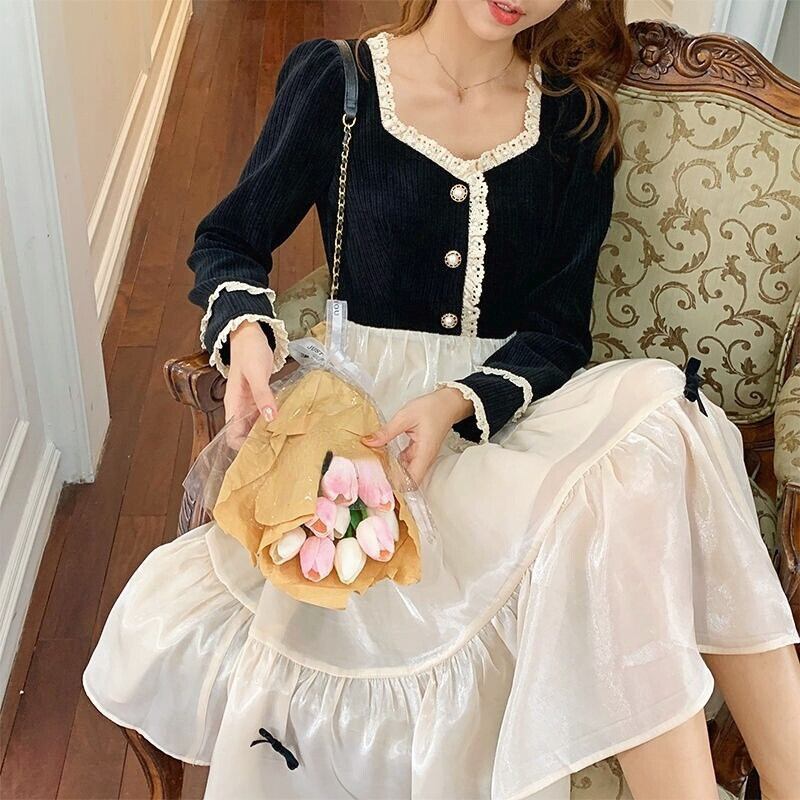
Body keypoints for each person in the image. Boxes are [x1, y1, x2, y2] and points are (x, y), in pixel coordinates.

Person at [83, 1, 800, 797]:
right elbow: (230, 239)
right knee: (635, 506)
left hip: (506, 427)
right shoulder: (338, 83)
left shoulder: (573, 121)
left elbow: (559, 333)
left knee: (663, 413)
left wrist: (456, 402)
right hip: (376, 443)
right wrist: (247, 333)